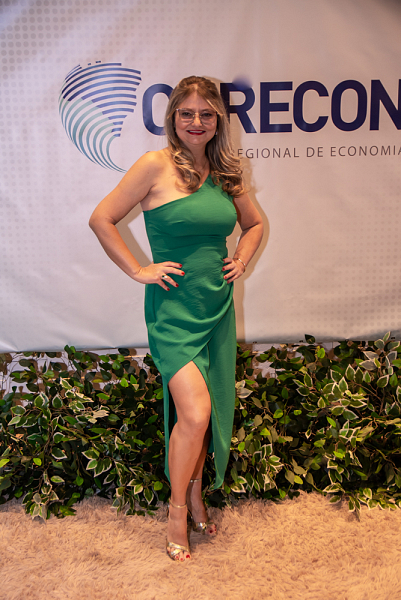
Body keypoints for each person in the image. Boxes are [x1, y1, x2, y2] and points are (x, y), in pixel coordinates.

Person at [89, 76, 263, 562]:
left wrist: (241, 258)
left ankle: (196, 494)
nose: (196, 122)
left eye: (206, 114)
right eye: (187, 112)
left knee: (202, 416)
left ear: (218, 121)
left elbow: (254, 224)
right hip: (172, 311)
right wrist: (138, 269)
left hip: (217, 307)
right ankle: (176, 511)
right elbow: (101, 218)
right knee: (196, 413)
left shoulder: (226, 171)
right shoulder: (154, 164)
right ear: (173, 118)